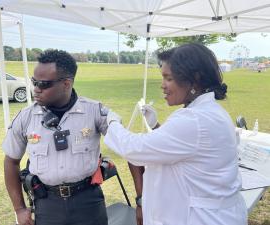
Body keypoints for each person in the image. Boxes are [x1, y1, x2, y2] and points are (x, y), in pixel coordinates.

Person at [104, 43, 248, 225]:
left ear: (194, 79)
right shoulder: (210, 111)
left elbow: (135, 150)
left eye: (169, 78)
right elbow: (186, 150)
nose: (162, 86)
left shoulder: (193, 120)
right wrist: (156, 126)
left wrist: (111, 123)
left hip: (201, 218)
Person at [3, 49, 108, 225]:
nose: (35, 89)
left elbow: (129, 147)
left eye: (43, 84)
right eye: (34, 82)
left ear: (66, 84)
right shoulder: (26, 117)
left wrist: (140, 200)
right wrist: (19, 209)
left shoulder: (94, 112)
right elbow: (11, 161)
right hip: (47, 204)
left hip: (88, 201)